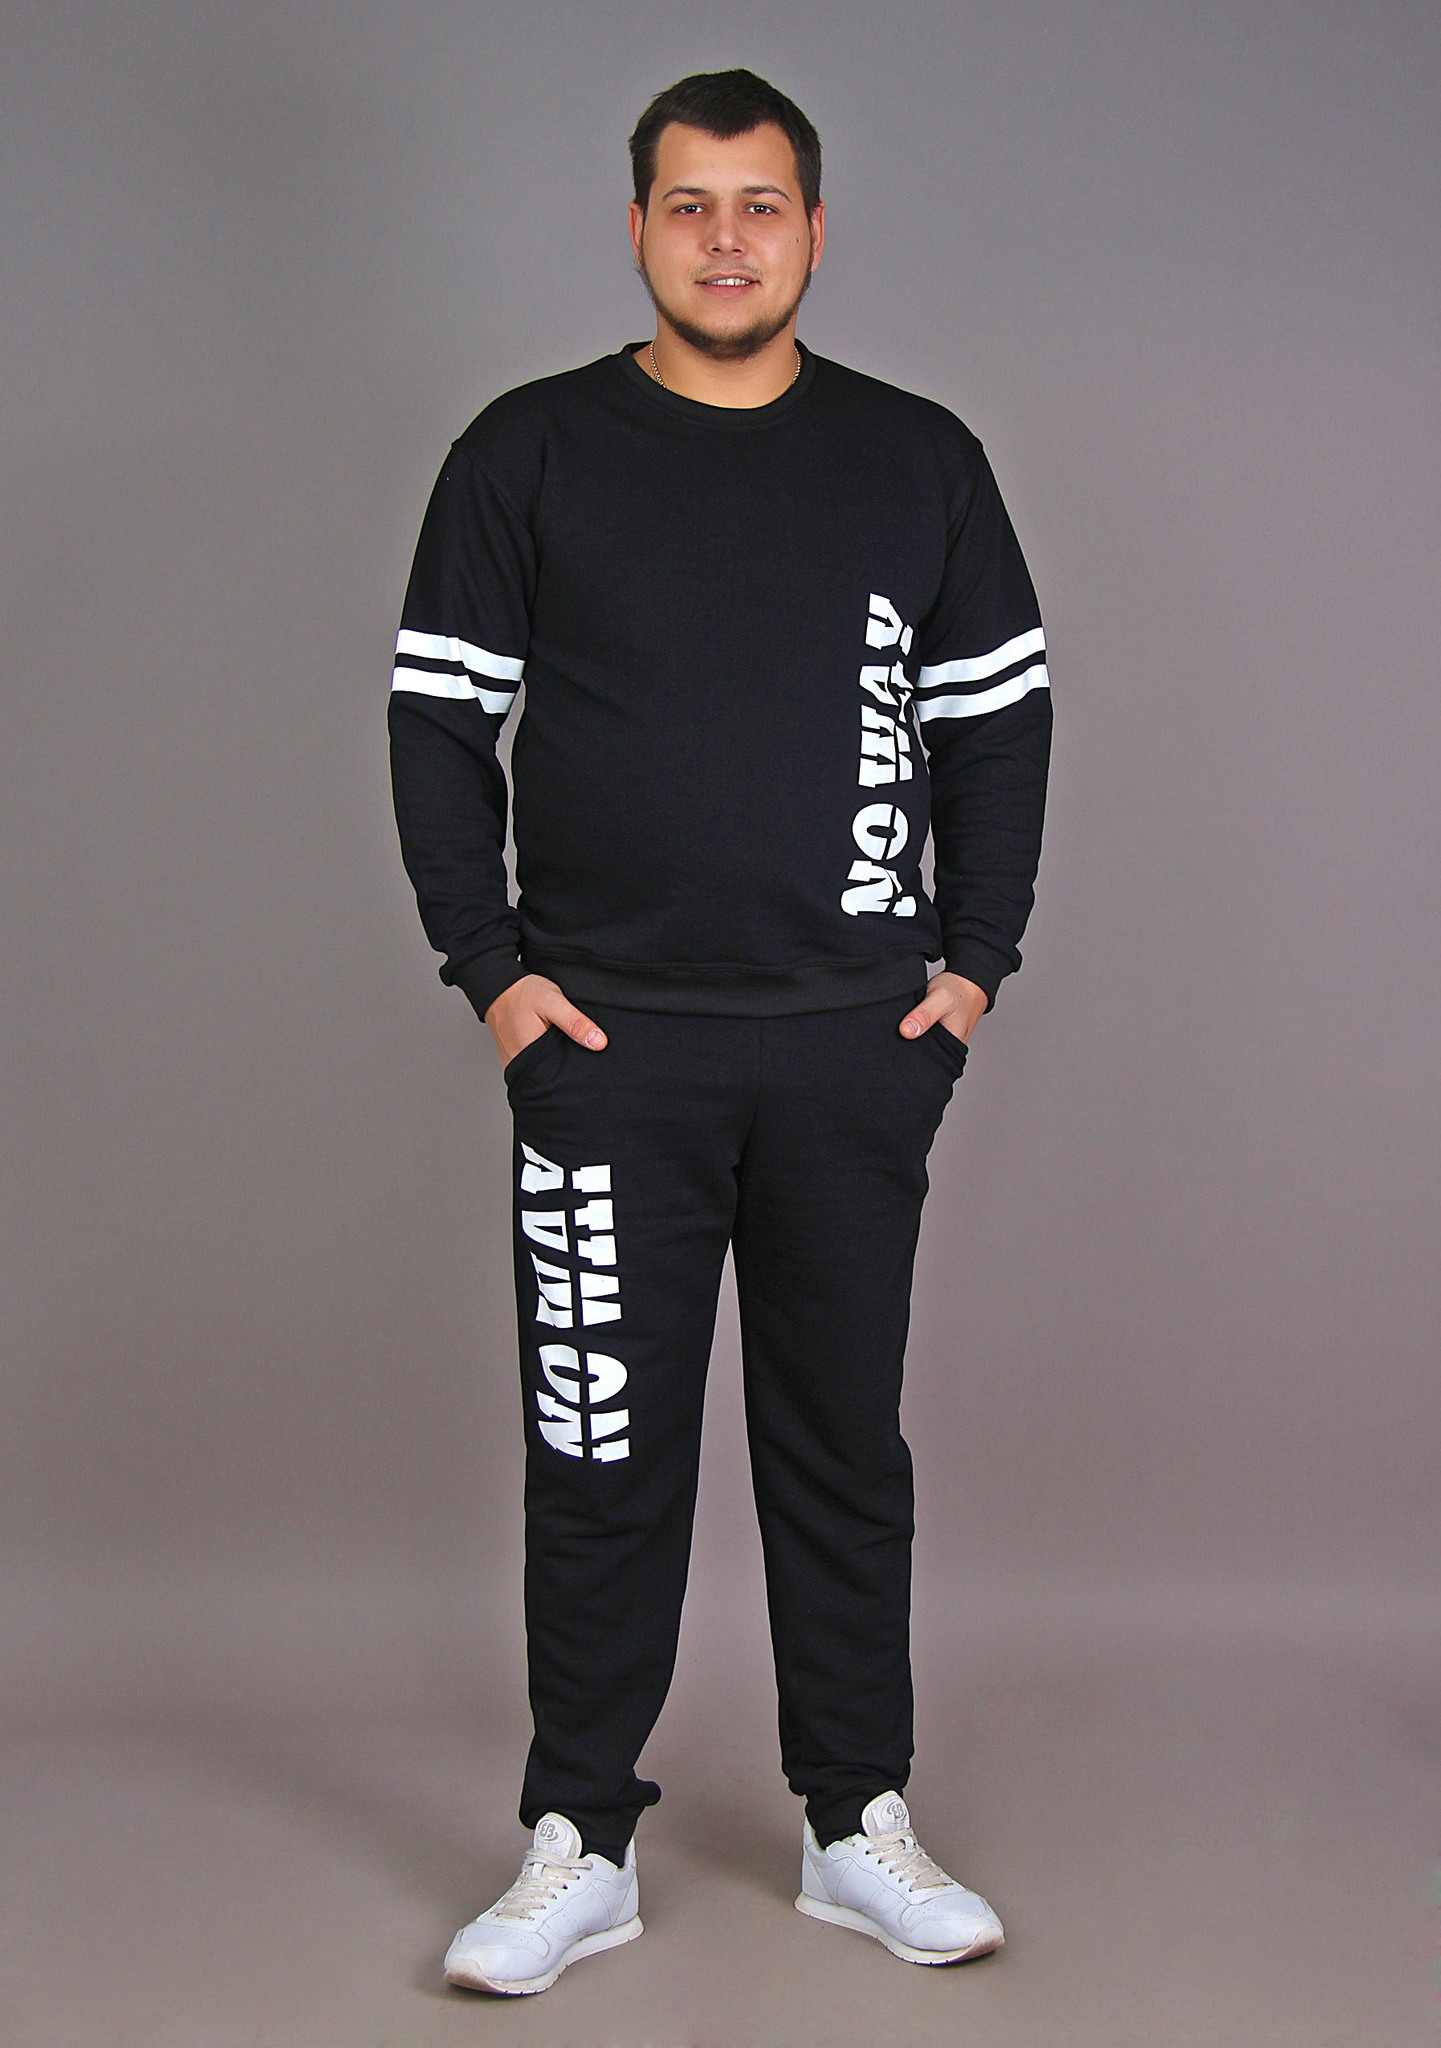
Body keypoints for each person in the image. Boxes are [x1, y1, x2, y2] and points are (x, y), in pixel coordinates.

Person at [388, 67, 1051, 1997]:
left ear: (814, 232)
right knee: (596, 1455)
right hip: (606, 1056)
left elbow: (996, 721)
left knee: (840, 1447)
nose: (727, 238)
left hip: (853, 1045)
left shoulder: (915, 459)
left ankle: (855, 1821)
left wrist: (969, 967)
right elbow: (437, 722)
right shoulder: (528, 452)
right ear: (638, 230)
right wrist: (493, 974)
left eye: (761, 204)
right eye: (690, 205)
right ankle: (580, 1840)